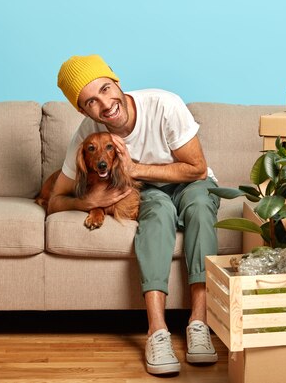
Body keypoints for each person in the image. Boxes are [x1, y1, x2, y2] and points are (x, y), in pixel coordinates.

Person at [50, 54, 220, 375]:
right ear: (82, 110)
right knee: (157, 214)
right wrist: (88, 203)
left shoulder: (164, 105)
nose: (105, 105)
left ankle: (199, 324)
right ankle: (157, 332)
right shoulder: (89, 131)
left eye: (105, 89)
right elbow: (56, 198)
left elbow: (196, 169)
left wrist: (135, 168)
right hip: (148, 190)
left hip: (191, 182)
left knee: (198, 207)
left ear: (116, 81)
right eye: (91, 102)